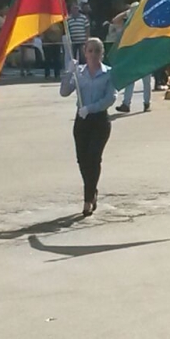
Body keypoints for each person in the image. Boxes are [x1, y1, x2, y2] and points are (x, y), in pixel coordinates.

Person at [60, 37, 117, 217]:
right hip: (82, 121)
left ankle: (87, 199)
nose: (93, 55)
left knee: (94, 158)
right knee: (82, 160)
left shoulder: (108, 73)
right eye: (90, 51)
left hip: (99, 120)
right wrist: (69, 72)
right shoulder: (79, 73)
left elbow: (110, 98)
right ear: (85, 53)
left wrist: (90, 108)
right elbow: (64, 92)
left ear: (102, 53)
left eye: (96, 51)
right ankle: (92, 190)